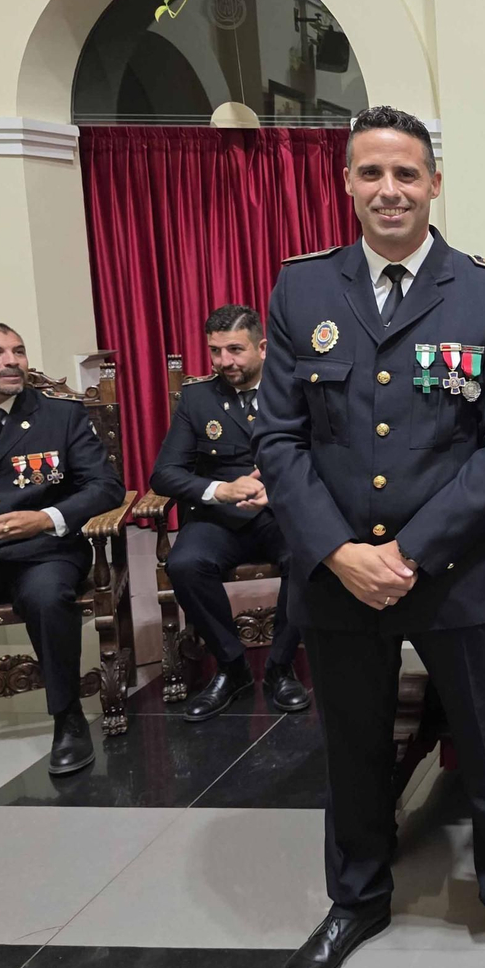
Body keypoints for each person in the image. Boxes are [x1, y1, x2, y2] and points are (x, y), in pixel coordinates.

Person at [254, 106, 485, 968]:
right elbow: (280, 441)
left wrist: (413, 553)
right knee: (351, 746)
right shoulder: (302, 291)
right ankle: (356, 900)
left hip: (455, 569)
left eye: (406, 174)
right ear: (346, 183)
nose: (389, 190)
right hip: (339, 573)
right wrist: (341, 552)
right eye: (370, 174)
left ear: (434, 183)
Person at [0, 322, 125, 774]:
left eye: (18, 351)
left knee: (47, 597)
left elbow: (105, 486)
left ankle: (68, 718)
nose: (12, 360)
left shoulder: (60, 415)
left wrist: (46, 518)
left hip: (44, 552)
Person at [151, 304, 308, 719]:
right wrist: (221, 489)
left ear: (262, 347)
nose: (224, 362)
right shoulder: (198, 398)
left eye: (234, 350)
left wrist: (274, 490)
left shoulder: (295, 390)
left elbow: (326, 458)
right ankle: (231, 665)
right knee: (184, 564)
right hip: (220, 517)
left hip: (282, 511)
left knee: (308, 554)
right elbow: (164, 474)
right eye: (215, 351)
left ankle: (279, 667)